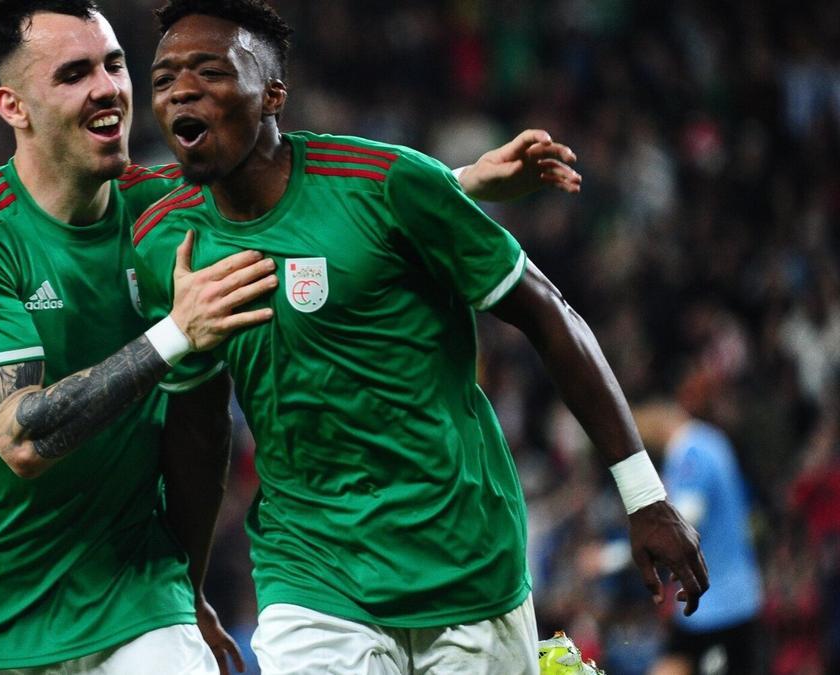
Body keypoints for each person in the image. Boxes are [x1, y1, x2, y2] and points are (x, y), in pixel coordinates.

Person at [0, 2, 583, 672]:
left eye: (114, 65)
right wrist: (173, 335)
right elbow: (23, 437)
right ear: (12, 106)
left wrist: (459, 183)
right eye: (73, 74)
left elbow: (318, 209)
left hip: (134, 593)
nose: (108, 87)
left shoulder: (164, 208)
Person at [131, 1, 709, 673]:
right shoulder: (167, 241)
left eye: (209, 70)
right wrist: (191, 585)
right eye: (165, 78)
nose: (181, 91)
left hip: (463, 557)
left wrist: (643, 495)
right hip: (310, 569)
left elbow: (549, 315)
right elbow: (200, 422)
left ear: (273, 94)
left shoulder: (387, 183)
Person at [632, 400, 762, 675]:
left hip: (717, 603)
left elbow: (682, 523)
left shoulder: (690, 453)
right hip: (727, 594)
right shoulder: (711, 440)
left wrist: (619, 554)